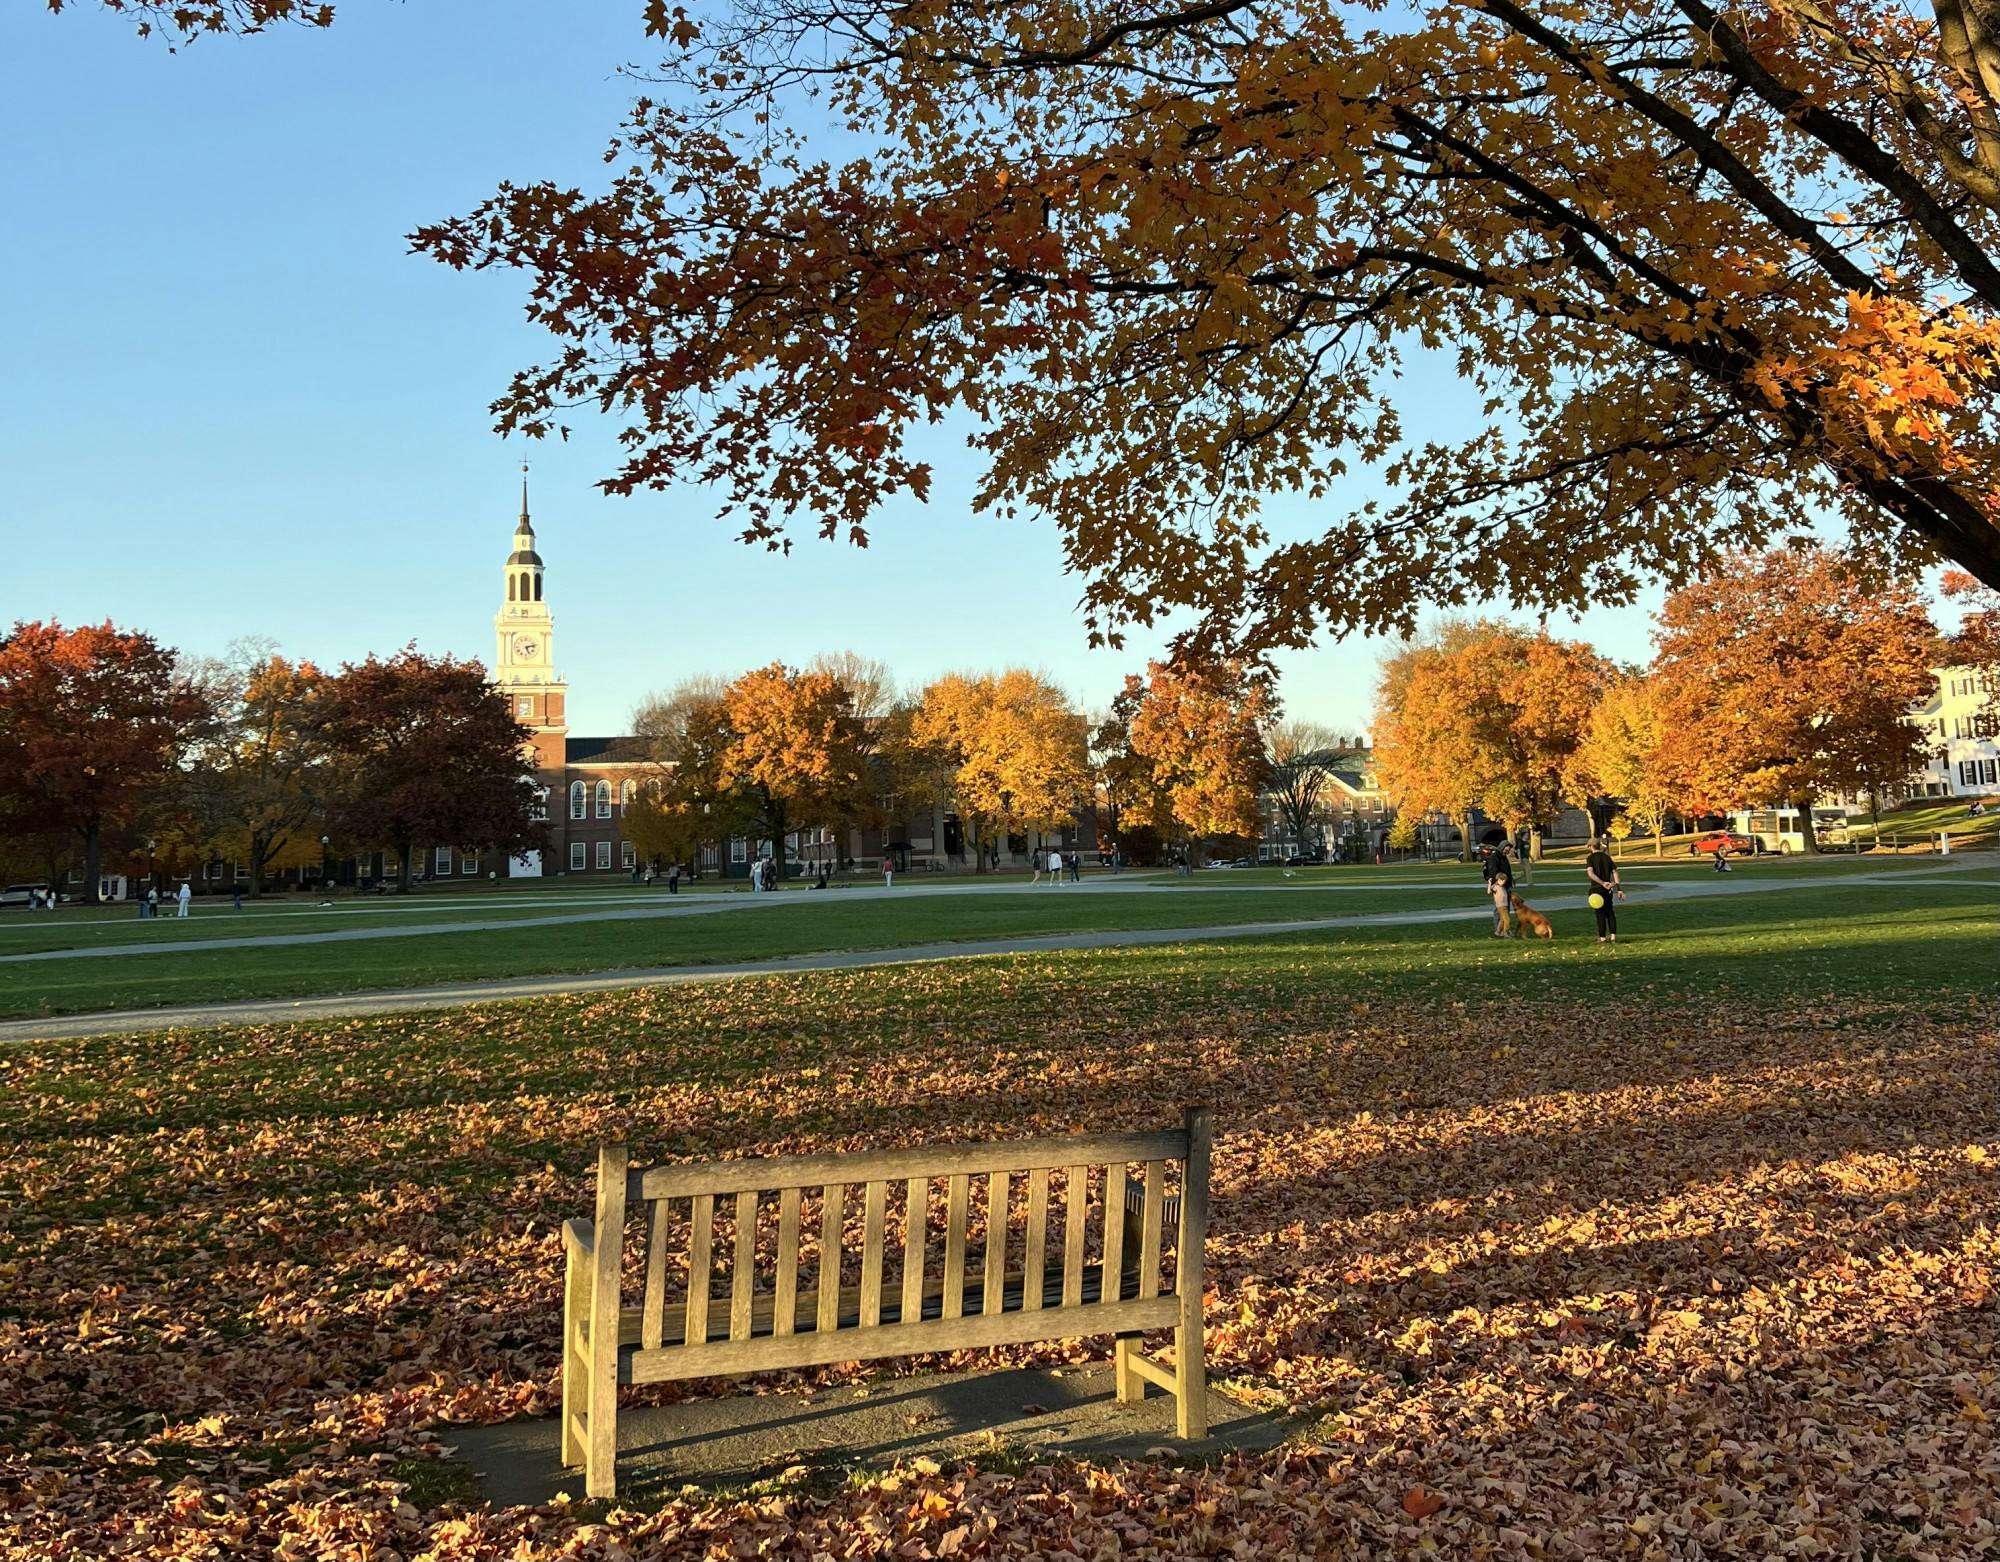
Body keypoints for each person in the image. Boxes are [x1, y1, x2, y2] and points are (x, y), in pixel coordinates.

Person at [1585, 834, 1623, 944]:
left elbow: (1591, 874)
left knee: (1600, 913)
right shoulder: (1607, 857)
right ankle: (1613, 937)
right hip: (1608, 890)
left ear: (1591, 846)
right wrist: (1618, 888)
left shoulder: (1590, 858)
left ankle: (1602, 937)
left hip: (1597, 889)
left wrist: (1602, 883)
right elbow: (1615, 873)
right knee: (1610, 912)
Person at [1484, 846, 1514, 937]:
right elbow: (1493, 872)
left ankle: (1499, 931)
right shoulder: (1495, 857)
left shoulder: (1504, 857)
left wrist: (1510, 881)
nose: (1507, 851)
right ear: (1502, 847)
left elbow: (1508, 871)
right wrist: (1491, 882)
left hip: (1505, 898)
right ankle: (1505, 932)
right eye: (1506, 849)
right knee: (1505, 918)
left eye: (1508, 850)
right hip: (1500, 905)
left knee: (1503, 918)